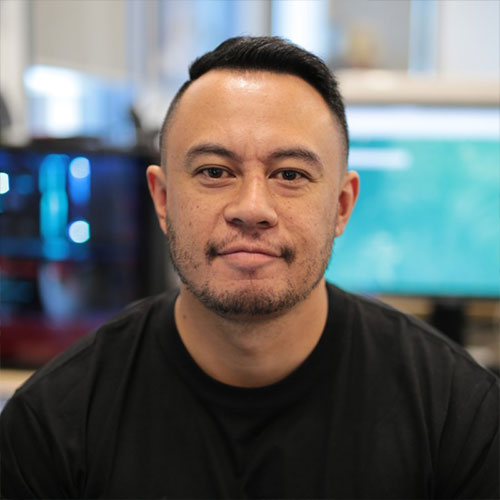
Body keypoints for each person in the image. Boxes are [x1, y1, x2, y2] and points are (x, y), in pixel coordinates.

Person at [1, 36, 498, 499]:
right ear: (163, 199)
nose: (252, 207)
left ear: (342, 206)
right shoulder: (53, 424)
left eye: (290, 174)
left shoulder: (458, 414)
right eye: (215, 172)